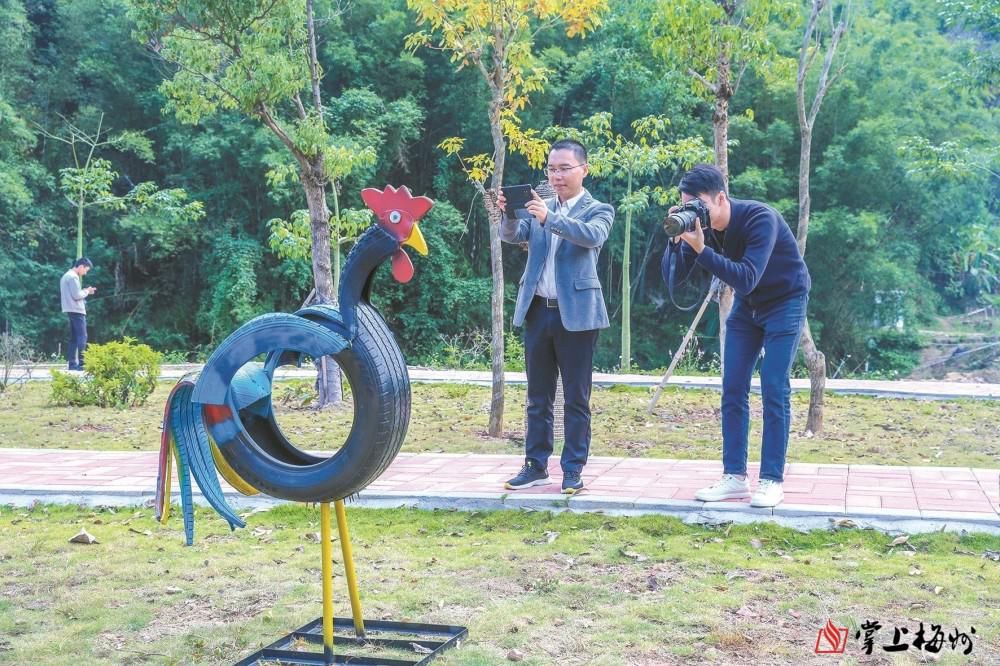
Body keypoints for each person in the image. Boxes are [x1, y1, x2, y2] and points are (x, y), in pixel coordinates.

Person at [660, 164, 810, 508]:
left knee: (773, 384)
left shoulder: (760, 218)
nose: (694, 215)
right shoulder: (702, 228)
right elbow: (675, 279)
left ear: (721, 198)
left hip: (785, 300)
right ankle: (734, 477)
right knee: (732, 386)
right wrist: (676, 238)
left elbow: (745, 278)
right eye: (687, 208)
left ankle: (771, 480)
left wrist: (701, 249)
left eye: (698, 207)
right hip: (749, 306)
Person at [497, 139, 615, 494]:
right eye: (551, 169)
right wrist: (508, 213)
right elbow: (511, 235)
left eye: (565, 168)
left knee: (576, 397)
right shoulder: (539, 208)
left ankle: (573, 468)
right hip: (537, 309)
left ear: (584, 169)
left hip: (576, 315)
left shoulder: (599, 209)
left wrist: (552, 218)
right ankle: (535, 464)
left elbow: (592, 238)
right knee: (538, 395)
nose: (557, 175)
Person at [60, 257, 96, 371]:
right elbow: (77, 295)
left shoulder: (66, 276)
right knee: (82, 336)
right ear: (81, 266)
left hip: (70, 309)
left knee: (74, 338)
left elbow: (74, 293)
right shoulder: (73, 277)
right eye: (86, 270)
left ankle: (72, 364)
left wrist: (84, 291)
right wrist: (87, 291)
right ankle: (82, 364)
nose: (85, 273)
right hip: (77, 310)